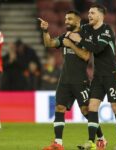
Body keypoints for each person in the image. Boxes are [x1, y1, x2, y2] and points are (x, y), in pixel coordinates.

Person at [68, 4, 116, 150]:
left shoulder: (107, 30)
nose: (89, 15)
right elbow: (75, 31)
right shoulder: (87, 28)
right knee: (92, 107)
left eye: (92, 13)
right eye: (88, 13)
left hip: (112, 74)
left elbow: (97, 49)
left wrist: (79, 40)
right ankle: (91, 141)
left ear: (101, 15)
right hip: (98, 75)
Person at [39, 11, 93, 150]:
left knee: (86, 110)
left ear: (77, 21)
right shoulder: (65, 36)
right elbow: (49, 43)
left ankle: (100, 139)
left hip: (80, 80)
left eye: (70, 19)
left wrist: (71, 45)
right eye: (65, 19)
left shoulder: (85, 36)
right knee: (59, 108)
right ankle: (58, 143)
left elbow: (86, 56)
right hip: (65, 80)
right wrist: (45, 30)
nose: (66, 21)